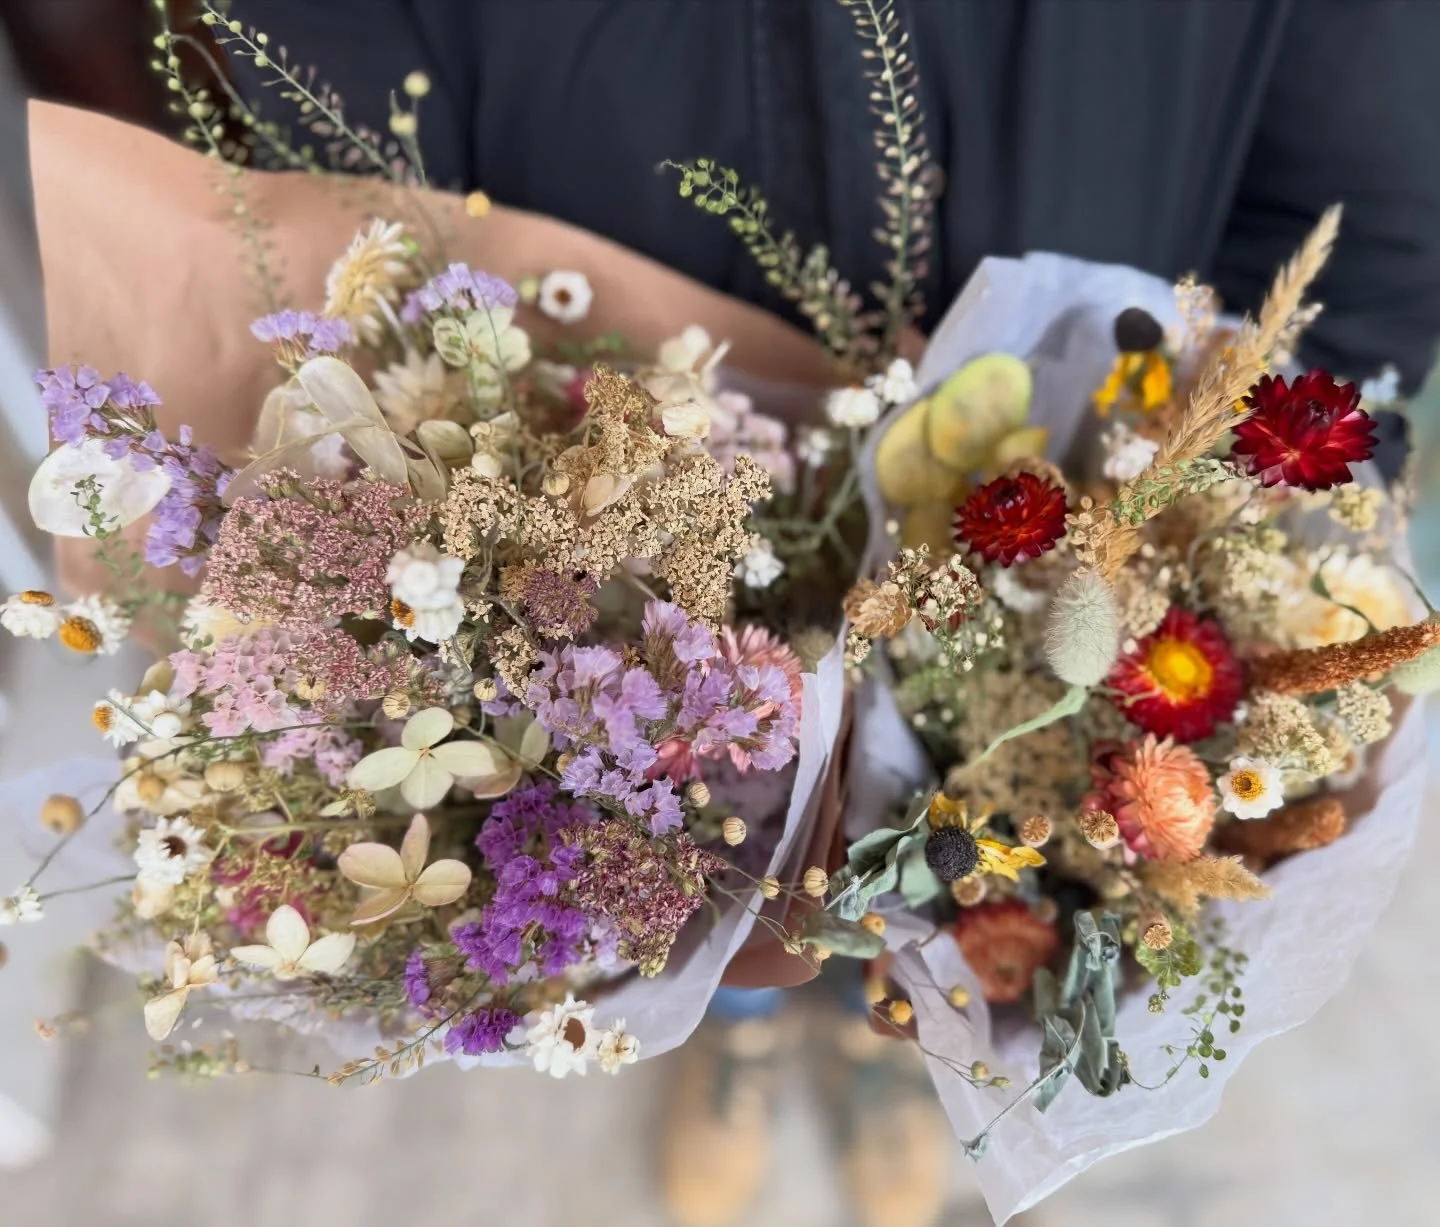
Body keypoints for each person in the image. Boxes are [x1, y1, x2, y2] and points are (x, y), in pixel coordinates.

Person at [102, 4, 1440, 1225]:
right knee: (705, 882)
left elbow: (1357, 221)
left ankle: (886, 1044)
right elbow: (344, 252)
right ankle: (735, 1019)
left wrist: (1247, 516)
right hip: (613, 591)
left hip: (1070, 568)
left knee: (957, 901)